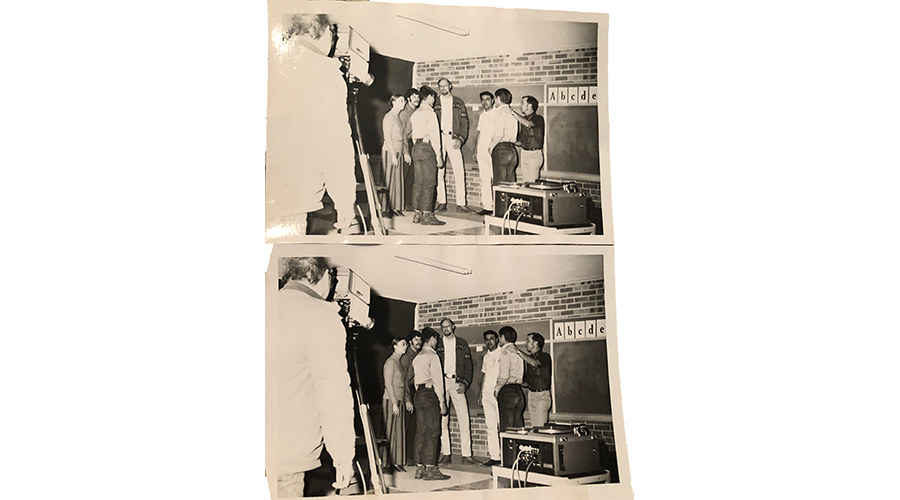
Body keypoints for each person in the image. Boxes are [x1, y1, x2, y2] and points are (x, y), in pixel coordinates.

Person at [266, 14, 359, 239]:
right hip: (291, 196)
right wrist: (345, 203)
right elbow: (335, 144)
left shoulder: (273, 61)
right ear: (326, 32)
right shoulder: (324, 71)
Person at [272, 257, 355, 497]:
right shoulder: (319, 314)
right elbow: (334, 395)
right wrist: (342, 457)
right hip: (284, 453)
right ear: (325, 276)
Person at [435, 318, 479, 465]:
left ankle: (467, 455)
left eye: (448, 326)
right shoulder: (438, 344)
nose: (446, 329)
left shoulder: (462, 343)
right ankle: (446, 453)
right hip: (442, 382)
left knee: (464, 418)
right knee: (443, 419)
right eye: (443, 327)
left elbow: (468, 365)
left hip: (457, 382)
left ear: (453, 327)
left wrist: (464, 383)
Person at [412, 327, 451, 481]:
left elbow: (415, 381)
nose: (437, 342)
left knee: (420, 431)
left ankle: (419, 468)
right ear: (432, 338)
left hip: (419, 394)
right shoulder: (432, 356)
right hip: (430, 394)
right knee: (433, 431)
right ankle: (431, 469)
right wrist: (442, 401)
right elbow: (438, 380)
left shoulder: (417, 356)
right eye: (436, 339)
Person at [433, 78, 473, 213]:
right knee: (439, 171)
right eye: (440, 86)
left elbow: (464, 122)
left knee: (459, 171)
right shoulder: (435, 102)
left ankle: (461, 204)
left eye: (445, 85)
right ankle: (442, 202)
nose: (443, 88)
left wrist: (460, 139)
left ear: (450, 86)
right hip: (439, 138)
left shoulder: (458, 102)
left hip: (453, 138)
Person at [409, 86, 446, 226]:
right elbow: (435, 136)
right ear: (429, 96)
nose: (434, 100)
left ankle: (417, 214)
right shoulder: (430, 113)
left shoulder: (415, 113)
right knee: (430, 182)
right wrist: (439, 155)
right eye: (434, 97)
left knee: (418, 181)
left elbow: (413, 135)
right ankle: (427, 215)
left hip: (416, 147)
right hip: (427, 147)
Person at [382, 337, 412, 472]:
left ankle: (396, 461)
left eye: (406, 344)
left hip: (399, 399)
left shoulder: (399, 362)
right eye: (403, 344)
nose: (405, 346)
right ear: (395, 346)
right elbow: (388, 384)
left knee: (399, 432)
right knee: (390, 431)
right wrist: (394, 403)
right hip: (391, 400)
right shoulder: (390, 362)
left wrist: (405, 400)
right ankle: (385, 464)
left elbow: (404, 384)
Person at [511, 332, 553, 427]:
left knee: (541, 428)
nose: (525, 343)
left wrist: (517, 351)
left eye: (528, 341)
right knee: (535, 427)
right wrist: (515, 381)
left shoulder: (545, 357)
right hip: (532, 395)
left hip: (542, 396)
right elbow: (527, 382)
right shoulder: (529, 359)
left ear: (536, 343)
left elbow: (534, 363)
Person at [476, 330, 503, 466]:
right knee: (491, 426)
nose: (489, 342)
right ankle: (495, 456)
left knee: (501, 426)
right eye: (486, 339)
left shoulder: (502, 353)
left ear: (497, 340)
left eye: (491, 339)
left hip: (498, 395)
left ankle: (505, 457)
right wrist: (481, 394)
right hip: (487, 395)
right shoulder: (486, 356)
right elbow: (484, 376)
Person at [494, 325, 526, 431]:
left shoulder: (505, 352)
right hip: (519, 392)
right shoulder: (518, 351)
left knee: (507, 429)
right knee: (518, 428)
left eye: (499, 337)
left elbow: (504, 376)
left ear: (502, 337)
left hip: (507, 392)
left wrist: (497, 389)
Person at [381, 94, 407, 217]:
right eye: (401, 101)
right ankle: (384, 209)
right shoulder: (389, 117)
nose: (404, 102)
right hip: (389, 151)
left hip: (398, 151)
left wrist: (401, 152)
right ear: (393, 102)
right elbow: (387, 137)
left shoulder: (398, 117)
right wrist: (392, 155)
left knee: (397, 180)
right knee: (388, 180)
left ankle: (395, 207)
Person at [510, 96, 546, 183]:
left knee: (532, 184)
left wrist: (512, 112)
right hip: (524, 153)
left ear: (529, 106)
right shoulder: (523, 120)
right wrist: (511, 140)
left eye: (522, 103)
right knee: (526, 183)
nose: (520, 105)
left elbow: (528, 124)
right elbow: (521, 142)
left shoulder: (538, 119)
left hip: (534, 155)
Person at [400, 330, 423, 465]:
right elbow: (404, 381)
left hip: (416, 391)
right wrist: (407, 400)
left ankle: (412, 456)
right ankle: (405, 457)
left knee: (415, 425)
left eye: (420, 339)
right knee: (407, 426)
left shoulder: (418, 355)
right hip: (406, 392)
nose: (418, 342)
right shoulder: (406, 357)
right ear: (410, 342)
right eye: (415, 339)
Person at [472, 91, 496, 216]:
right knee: (485, 180)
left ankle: (497, 208)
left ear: (493, 100)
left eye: (487, 99)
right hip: (482, 152)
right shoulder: (482, 116)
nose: (485, 102)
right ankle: (488, 207)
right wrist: (476, 150)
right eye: (482, 99)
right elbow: (479, 133)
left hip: (492, 152)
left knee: (494, 180)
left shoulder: (497, 114)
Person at [489, 88, 520, 184]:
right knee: (510, 184)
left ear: (498, 98)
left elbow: (498, 135)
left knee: (499, 184)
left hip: (501, 149)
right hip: (512, 150)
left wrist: (491, 147)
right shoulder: (512, 112)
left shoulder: (499, 112)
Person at [398, 88, 420, 211]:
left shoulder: (417, 111)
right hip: (406, 145)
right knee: (404, 175)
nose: (416, 99)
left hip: (415, 144)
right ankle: (402, 204)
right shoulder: (404, 113)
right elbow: (403, 135)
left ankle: (410, 203)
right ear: (408, 98)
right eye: (414, 97)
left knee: (412, 175)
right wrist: (406, 152)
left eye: (418, 97)